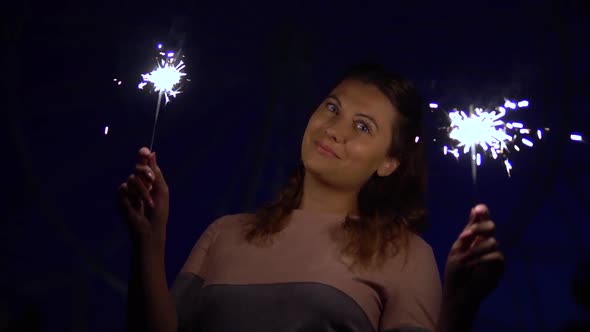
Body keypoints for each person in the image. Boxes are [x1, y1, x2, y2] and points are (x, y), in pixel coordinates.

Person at [118, 63, 504, 332]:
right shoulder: (223, 233)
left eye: (363, 127)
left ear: (388, 162)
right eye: (333, 108)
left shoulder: (404, 254)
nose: (335, 130)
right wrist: (149, 244)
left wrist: (459, 308)